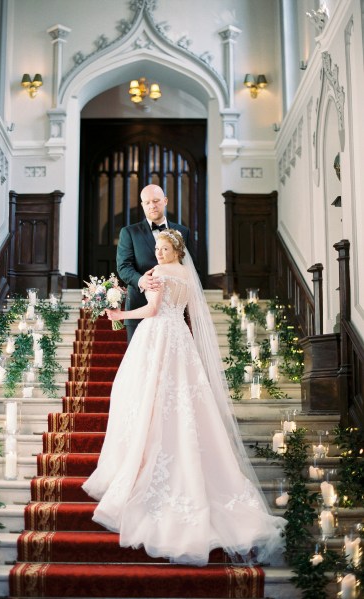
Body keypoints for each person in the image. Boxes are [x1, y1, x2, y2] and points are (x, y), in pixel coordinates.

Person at [83, 230, 287, 567]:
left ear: (176, 250)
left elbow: (151, 311)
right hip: (180, 339)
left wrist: (120, 316)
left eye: (164, 249)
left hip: (158, 338)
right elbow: (183, 312)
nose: (159, 254)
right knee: (183, 402)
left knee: (148, 398)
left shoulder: (161, 274)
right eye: (158, 249)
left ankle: (142, 466)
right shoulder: (188, 276)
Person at [116, 184, 191, 342]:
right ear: (142, 205)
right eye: (147, 202)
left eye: (156, 200)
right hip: (138, 305)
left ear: (165, 201)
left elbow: (190, 268)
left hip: (171, 313)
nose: (152, 205)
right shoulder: (129, 232)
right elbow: (124, 266)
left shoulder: (183, 232)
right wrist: (141, 280)